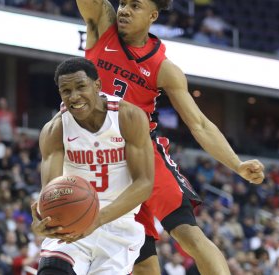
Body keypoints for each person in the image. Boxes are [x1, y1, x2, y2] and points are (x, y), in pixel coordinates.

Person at [74, 0, 266, 274]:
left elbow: (199, 124)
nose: (125, 9)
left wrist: (237, 165)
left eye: (135, 5)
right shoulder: (102, 25)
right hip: (100, 159)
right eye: (123, 3)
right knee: (142, 263)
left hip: (142, 153)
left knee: (188, 233)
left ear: (153, 15)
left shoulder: (164, 68)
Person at [31, 57, 154, 274]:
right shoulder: (55, 130)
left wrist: (97, 219)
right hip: (72, 220)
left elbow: (144, 183)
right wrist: (42, 220)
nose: (74, 96)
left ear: (97, 85)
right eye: (66, 90)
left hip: (119, 222)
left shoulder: (128, 116)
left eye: (80, 87)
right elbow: (50, 191)